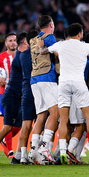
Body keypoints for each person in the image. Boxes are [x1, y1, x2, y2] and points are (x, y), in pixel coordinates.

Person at [39, 23, 89, 164]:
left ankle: (62, 150)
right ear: (80, 34)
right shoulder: (86, 47)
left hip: (64, 84)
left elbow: (43, 51)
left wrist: (42, 46)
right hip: (79, 84)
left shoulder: (60, 45)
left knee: (64, 119)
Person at [0, 32, 28, 164]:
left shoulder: (23, 55)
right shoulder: (1, 57)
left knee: (19, 125)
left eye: (15, 40)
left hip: (21, 94)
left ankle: (0, 147)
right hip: (7, 93)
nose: (13, 43)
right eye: (10, 40)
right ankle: (10, 152)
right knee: (8, 125)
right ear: (6, 43)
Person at [28, 15, 59, 165]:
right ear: (51, 24)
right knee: (55, 113)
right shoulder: (50, 37)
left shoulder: (32, 40)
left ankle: (33, 149)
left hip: (34, 79)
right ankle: (45, 147)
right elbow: (58, 55)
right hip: (47, 77)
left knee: (41, 114)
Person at [18, 30, 39, 164]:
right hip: (37, 89)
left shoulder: (22, 55)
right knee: (40, 122)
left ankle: (22, 156)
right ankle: (36, 153)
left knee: (26, 125)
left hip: (26, 90)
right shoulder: (39, 53)